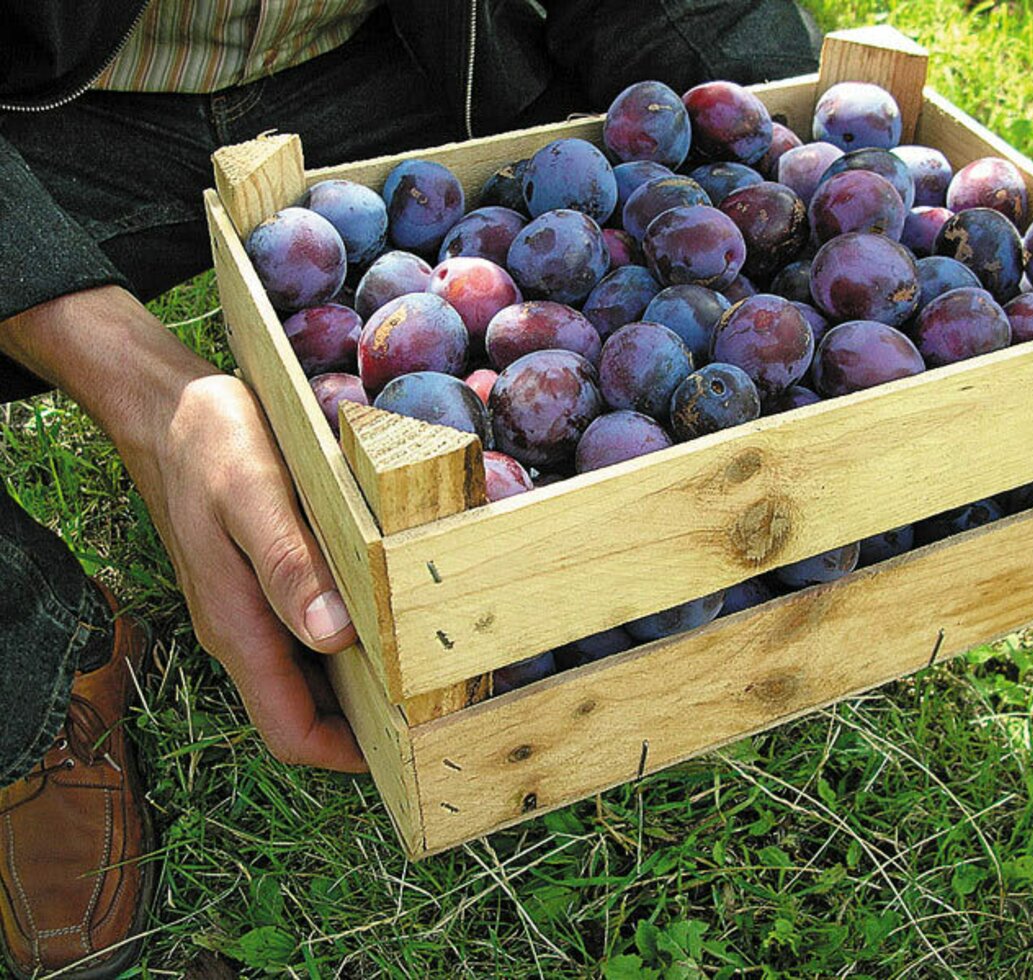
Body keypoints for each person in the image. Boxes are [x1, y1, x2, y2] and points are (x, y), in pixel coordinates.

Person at [0, 1, 820, 974]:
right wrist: (145, 395)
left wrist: (768, 168)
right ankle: (31, 647)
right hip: (45, 120)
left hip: (401, 56)